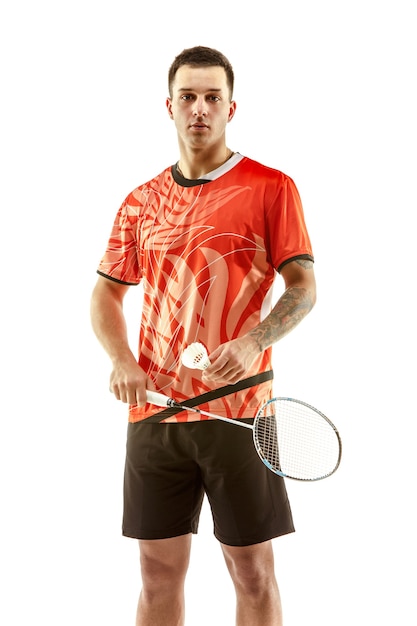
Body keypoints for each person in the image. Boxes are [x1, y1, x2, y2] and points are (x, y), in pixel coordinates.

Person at [91, 45, 316, 626]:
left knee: (253, 572)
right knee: (156, 573)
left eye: (212, 97)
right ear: (168, 106)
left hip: (238, 414)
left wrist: (253, 341)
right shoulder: (141, 202)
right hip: (155, 415)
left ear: (231, 108)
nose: (199, 108)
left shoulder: (271, 188)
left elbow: (302, 288)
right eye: (188, 96)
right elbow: (106, 294)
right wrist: (122, 360)